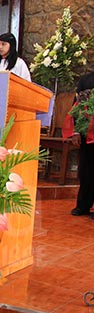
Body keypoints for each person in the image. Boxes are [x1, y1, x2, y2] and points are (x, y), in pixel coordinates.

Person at [68, 72, 94, 217]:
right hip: (87, 133)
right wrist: (76, 132)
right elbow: (77, 106)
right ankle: (83, 205)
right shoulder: (86, 79)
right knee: (86, 170)